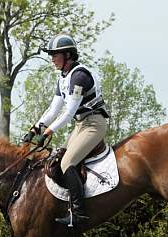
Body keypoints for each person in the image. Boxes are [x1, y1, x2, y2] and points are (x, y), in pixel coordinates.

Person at [26, 33, 109, 227]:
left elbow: (69, 111)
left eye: (55, 55)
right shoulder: (63, 77)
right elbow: (54, 109)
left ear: (68, 56)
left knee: (67, 164)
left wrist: (47, 133)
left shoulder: (79, 76)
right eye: (52, 55)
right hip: (81, 125)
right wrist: (36, 127)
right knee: (56, 160)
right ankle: (66, 205)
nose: (52, 59)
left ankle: (79, 214)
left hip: (94, 124)